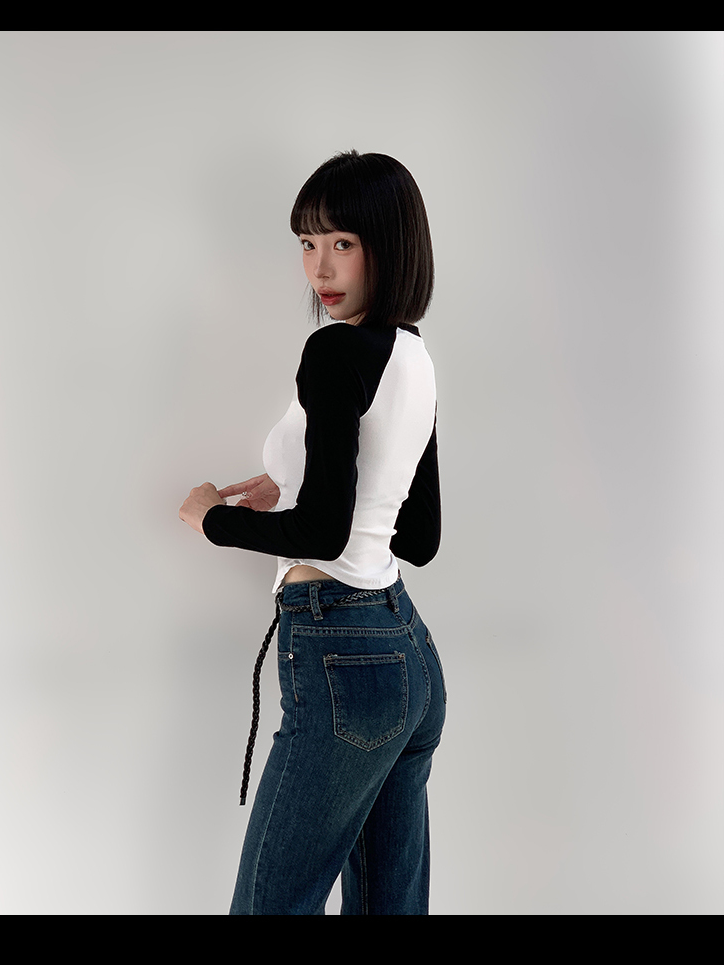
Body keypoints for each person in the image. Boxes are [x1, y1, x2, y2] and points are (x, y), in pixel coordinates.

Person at [179, 140, 446, 922]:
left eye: (343, 242)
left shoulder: (332, 351)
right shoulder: (414, 354)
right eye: (307, 241)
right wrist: (293, 482)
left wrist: (213, 518)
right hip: (408, 655)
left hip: (341, 653)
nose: (320, 267)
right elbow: (418, 532)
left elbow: (326, 533)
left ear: (387, 246)